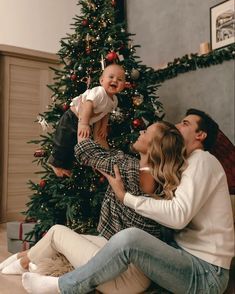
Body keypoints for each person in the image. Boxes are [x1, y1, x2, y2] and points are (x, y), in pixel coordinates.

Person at [20, 108, 234, 294]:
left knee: (129, 238)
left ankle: (64, 286)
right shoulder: (180, 166)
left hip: (206, 273)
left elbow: (178, 216)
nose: (177, 125)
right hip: (183, 258)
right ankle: (25, 261)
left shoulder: (203, 160)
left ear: (201, 135)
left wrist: (126, 197)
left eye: (185, 123)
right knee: (102, 241)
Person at [1, 121, 187, 293]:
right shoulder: (158, 177)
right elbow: (108, 155)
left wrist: (83, 119)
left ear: (153, 146)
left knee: (57, 232)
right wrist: (101, 133)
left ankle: (23, 263)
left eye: (146, 132)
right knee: (70, 239)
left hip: (123, 277)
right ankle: (23, 256)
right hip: (137, 271)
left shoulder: (128, 168)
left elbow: (84, 151)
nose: (140, 131)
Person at [48, 63, 126, 178]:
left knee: (73, 145)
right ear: (101, 80)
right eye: (111, 77)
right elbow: (87, 105)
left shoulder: (114, 100)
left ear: (123, 85)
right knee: (63, 141)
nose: (115, 80)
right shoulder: (99, 92)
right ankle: (55, 162)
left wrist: (103, 127)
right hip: (72, 117)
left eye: (120, 79)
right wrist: (84, 123)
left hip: (84, 121)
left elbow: (106, 114)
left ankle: (65, 166)